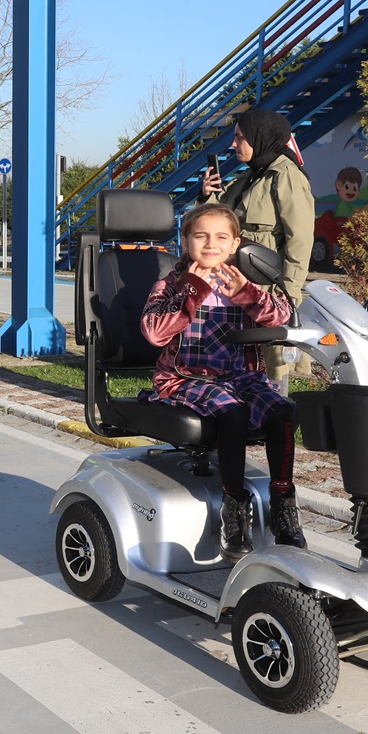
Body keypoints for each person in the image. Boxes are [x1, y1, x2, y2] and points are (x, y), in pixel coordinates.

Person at [141, 203, 303, 560]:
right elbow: (153, 333)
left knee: (282, 411)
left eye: (220, 237)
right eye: (201, 236)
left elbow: (284, 319)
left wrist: (248, 292)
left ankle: (282, 500)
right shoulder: (171, 286)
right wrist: (194, 291)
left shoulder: (245, 283)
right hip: (185, 377)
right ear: (186, 242)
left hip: (239, 376)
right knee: (233, 412)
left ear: (235, 244)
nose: (210, 244)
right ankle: (233, 506)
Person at [200, 109, 315, 384]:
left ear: (259, 138)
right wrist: (206, 193)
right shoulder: (250, 178)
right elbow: (215, 220)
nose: (233, 144)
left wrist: (289, 293)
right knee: (242, 365)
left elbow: (300, 239)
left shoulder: (285, 176)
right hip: (238, 284)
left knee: (276, 368)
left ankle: (283, 419)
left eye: (239, 137)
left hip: (268, 287)